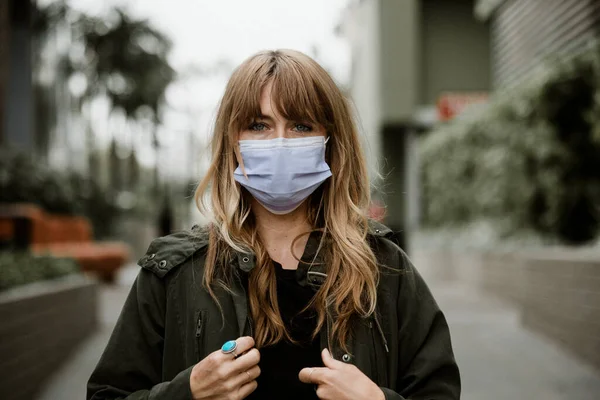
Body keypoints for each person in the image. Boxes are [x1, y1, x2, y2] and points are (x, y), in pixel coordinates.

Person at [87, 49, 460, 400]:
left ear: (330, 142)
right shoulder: (175, 274)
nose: (279, 143)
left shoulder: (385, 269)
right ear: (232, 142)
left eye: (300, 126)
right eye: (258, 125)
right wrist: (188, 392)